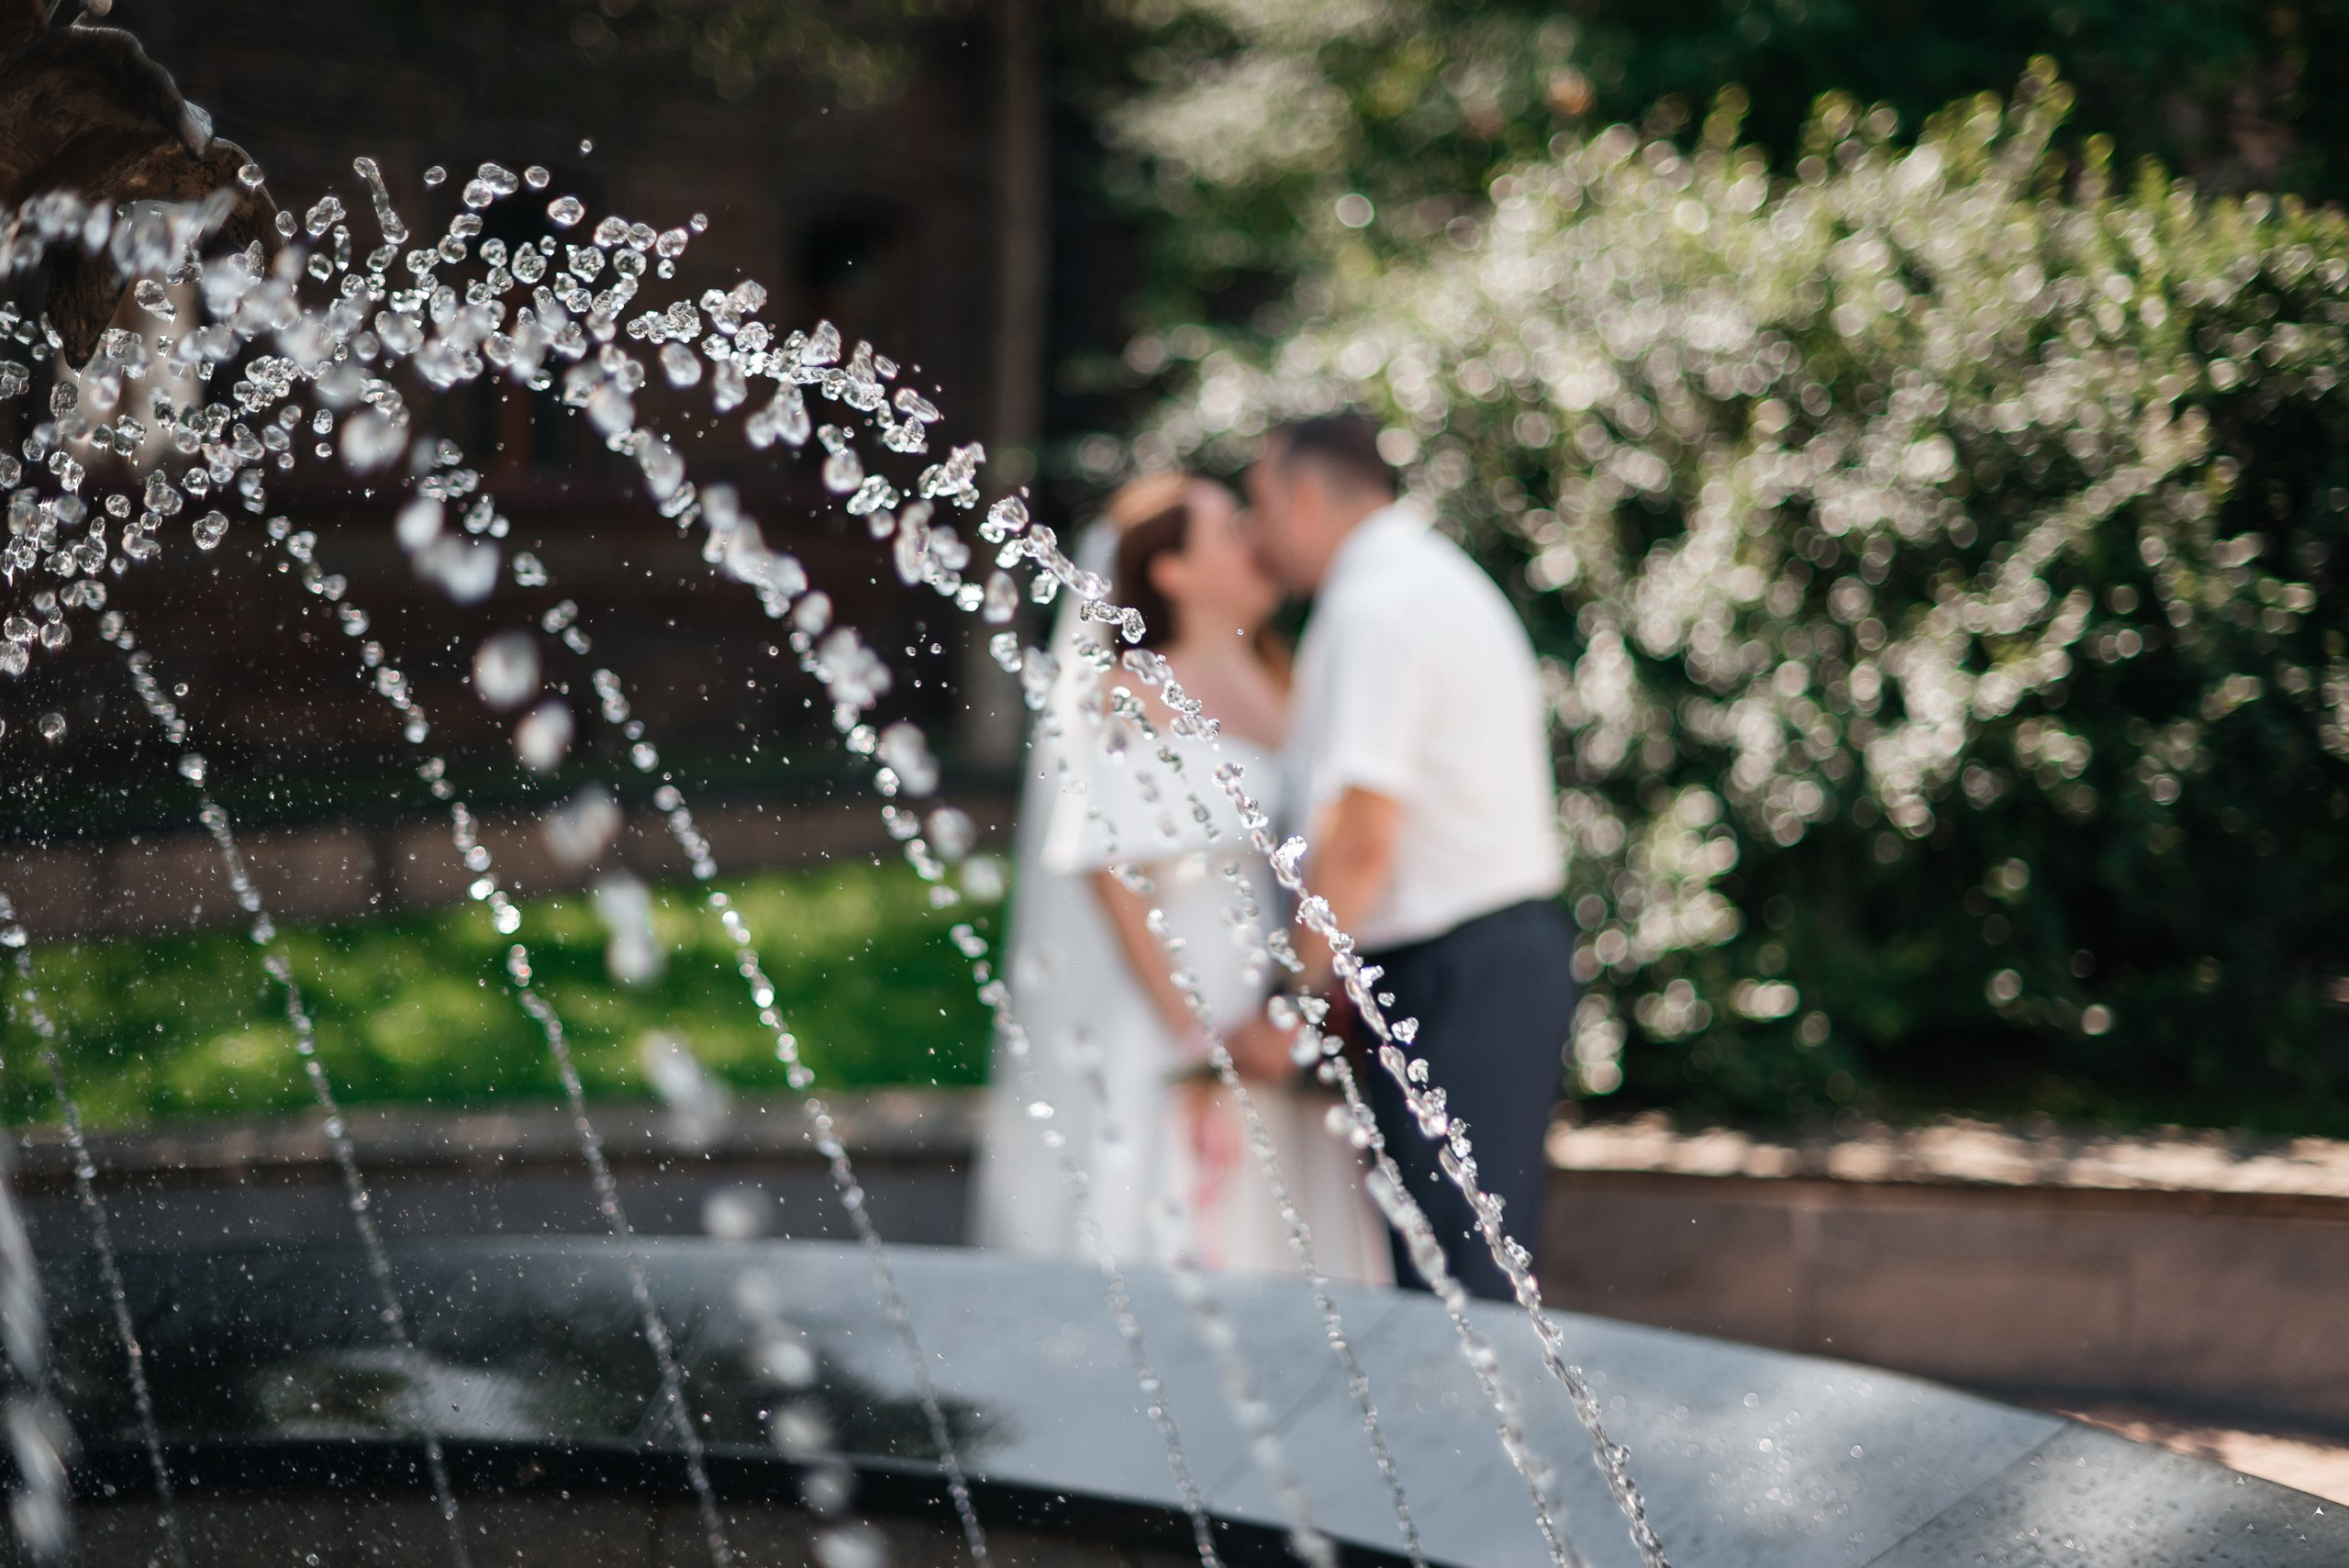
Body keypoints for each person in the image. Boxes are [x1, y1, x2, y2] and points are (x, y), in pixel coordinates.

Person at [970, 473, 1389, 1283]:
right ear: (1173, 573)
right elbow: (1112, 875)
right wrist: (1196, 1032)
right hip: (1180, 992)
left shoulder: (1286, 681)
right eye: (1229, 529)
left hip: (1278, 998)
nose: (1253, 540)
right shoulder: (1127, 693)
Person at [1233, 415, 1572, 1302]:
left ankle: (1474, 1448)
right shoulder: (1424, 579)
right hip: (1481, 960)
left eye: (1260, 504)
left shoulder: (1373, 606)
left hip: (1456, 972)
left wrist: (1292, 997)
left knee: (1458, 1288)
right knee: (1464, 1273)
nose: (1254, 531)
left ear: (1307, 497)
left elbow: (1362, 831)